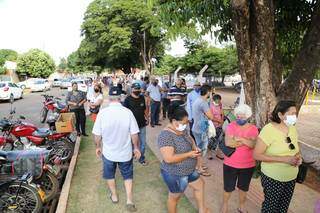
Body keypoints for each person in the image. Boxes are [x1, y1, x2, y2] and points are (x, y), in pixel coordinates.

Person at [92, 86, 142, 212]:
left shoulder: (102, 113)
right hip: (125, 153)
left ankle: (114, 196)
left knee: (110, 175)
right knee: (127, 175)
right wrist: (136, 148)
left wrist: (98, 147)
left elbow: (97, 135)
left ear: (109, 98)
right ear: (121, 98)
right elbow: (134, 134)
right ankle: (129, 200)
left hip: (109, 153)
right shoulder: (127, 112)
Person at [158, 104, 210, 213]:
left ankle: (202, 210)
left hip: (189, 170)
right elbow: (168, 159)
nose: (186, 125)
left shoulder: (182, 130)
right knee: (175, 197)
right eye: (184, 123)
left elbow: (189, 138)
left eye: (187, 122)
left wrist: (195, 147)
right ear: (174, 121)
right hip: (176, 173)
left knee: (200, 185)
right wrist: (188, 154)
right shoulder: (165, 136)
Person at [253, 100, 302, 213]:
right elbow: (256, 155)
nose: (294, 116)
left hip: (291, 177)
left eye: (295, 113)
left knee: (283, 207)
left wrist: (298, 156)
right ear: (280, 115)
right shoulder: (268, 130)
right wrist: (284, 159)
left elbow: (295, 147)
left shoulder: (292, 128)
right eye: (291, 114)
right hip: (273, 177)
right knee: (270, 208)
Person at [221, 104, 259, 213]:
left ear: (247, 117)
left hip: (248, 165)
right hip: (230, 163)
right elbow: (228, 143)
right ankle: (225, 205)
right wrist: (247, 141)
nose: (239, 119)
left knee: (243, 187)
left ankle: (242, 206)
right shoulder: (231, 126)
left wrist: (239, 139)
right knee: (228, 187)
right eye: (237, 116)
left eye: (242, 117)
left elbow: (253, 145)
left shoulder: (253, 129)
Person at [192, 84, 214, 177]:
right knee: (201, 150)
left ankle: (198, 166)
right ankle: (200, 169)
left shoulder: (198, 100)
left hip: (196, 128)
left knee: (199, 148)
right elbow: (211, 116)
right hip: (201, 129)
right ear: (208, 92)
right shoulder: (203, 102)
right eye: (211, 91)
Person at [123, 83, 149, 166]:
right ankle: (132, 155)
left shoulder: (141, 97)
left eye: (138, 89)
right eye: (135, 89)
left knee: (143, 143)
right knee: (131, 142)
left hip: (142, 124)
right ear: (132, 89)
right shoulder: (127, 100)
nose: (137, 91)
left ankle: (141, 158)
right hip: (131, 126)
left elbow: (144, 109)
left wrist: (147, 118)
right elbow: (124, 113)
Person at [207, 94, 224, 160]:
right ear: (213, 100)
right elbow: (210, 117)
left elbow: (222, 113)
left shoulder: (220, 105)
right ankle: (209, 154)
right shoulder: (210, 106)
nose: (218, 102)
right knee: (212, 140)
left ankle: (218, 153)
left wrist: (222, 120)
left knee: (220, 140)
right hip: (212, 126)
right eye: (217, 101)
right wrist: (219, 121)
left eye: (219, 101)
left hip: (219, 125)